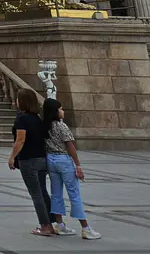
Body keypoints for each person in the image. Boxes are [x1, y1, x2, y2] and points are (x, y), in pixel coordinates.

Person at [42, 98, 101, 240]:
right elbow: (70, 146)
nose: (63, 111)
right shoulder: (62, 126)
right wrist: (78, 164)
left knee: (56, 193)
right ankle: (85, 228)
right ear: (55, 111)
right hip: (64, 159)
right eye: (60, 109)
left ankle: (60, 224)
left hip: (50, 159)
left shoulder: (44, 126)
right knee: (74, 194)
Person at [9, 88, 54, 237]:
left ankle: (45, 226)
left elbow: (20, 139)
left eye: (18, 99)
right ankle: (52, 223)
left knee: (36, 194)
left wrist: (12, 157)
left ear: (23, 102)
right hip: (41, 159)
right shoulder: (37, 118)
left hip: (28, 160)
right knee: (43, 192)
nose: (16, 101)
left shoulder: (22, 119)